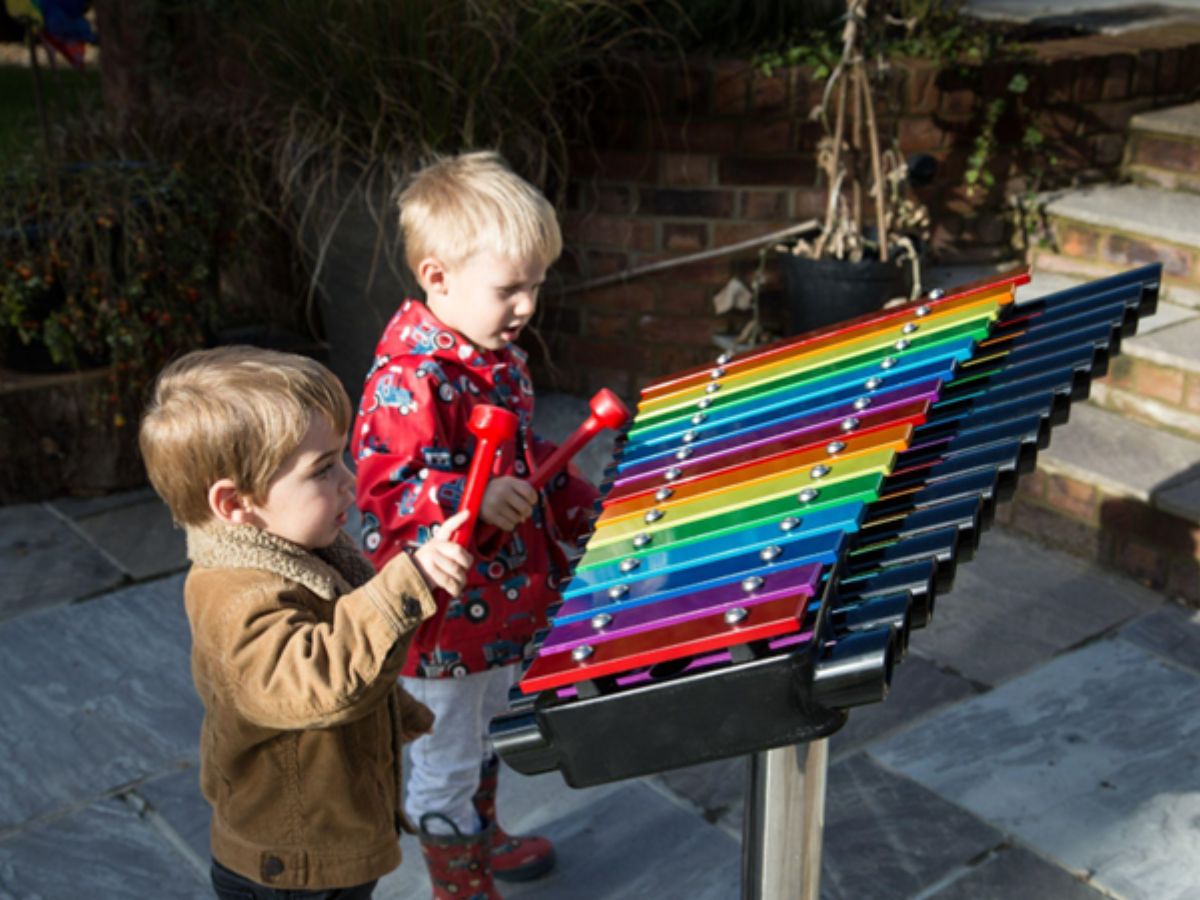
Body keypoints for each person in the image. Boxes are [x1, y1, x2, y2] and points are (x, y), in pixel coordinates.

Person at [139, 346, 475, 900]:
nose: (350, 479)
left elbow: (346, 643)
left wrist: (399, 715)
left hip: (327, 844)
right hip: (290, 868)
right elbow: (318, 682)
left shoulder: (296, 548)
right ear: (234, 503)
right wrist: (404, 583)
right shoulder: (237, 596)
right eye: (323, 468)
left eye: (342, 457)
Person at [352, 151, 598, 898]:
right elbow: (383, 487)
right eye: (509, 288)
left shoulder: (500, 360)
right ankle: (454, 874)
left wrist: (577, 500)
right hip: (443, 617)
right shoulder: (409, 379)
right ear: (438, 277)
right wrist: (468, 496)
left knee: (488, 731)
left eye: (535, 286)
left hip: (502, 602)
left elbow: (528, 458)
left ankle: (479, 835)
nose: (526, 305)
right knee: (446, 752)